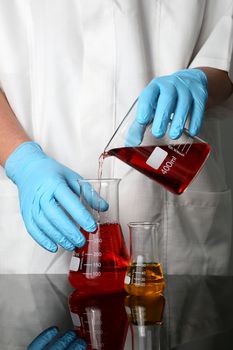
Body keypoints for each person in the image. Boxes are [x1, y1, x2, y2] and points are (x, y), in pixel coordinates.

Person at [0, 0, 232, 274]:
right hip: (38, 234)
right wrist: (22, 161)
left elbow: (224, 44)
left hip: (175, 230)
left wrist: (200, 80)